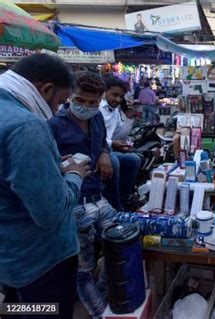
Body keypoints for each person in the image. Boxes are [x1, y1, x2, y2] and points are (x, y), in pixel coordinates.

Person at [0, 53, 90, 318]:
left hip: (10, 257)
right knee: (46, 311)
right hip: (42, 261)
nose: (57, 112)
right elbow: (50, 213)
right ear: (46, 89)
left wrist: (50, 166)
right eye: (60, 103)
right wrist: (74, 176)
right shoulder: (27, 127)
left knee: (18, 308)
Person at [48, 72, 115, 317]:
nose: (86, 107)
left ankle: (100, 298)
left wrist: (105, 153)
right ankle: (100, 313)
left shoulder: (97, 119)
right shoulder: (54, 125)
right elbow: (45, 164)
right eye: (80, 101)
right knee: (83, 267)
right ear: (70, 97)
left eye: (92, 103)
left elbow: (103, 143)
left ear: (100, 101)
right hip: (75, 204)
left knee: (119, 249)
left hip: (99, 197)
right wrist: (63, 167)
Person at [100, 76, 141, 211]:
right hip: (97, 150)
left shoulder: (116, 110)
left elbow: (119, 134)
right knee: (114, 162)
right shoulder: (99, 108)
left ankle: (123, 200)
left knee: (133, 159)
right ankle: (114, 205)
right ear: (105, 91)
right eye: (114, 95)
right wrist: (112, 144)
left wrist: (129, 118)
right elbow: (95, 137)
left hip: (108, 148)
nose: (117, 100)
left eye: (120, 96)